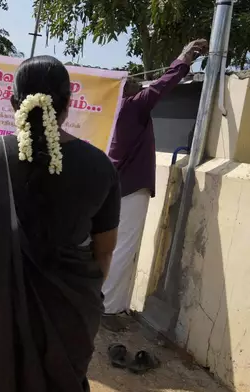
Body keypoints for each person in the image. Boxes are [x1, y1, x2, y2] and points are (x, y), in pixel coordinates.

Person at [0, 55, 121, 391]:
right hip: (70, 315)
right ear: (68, 105)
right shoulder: (101, 167)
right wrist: (76, 296)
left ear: (14, 102)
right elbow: (103, 254)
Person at [102, 38, 208, 331]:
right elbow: (163, 85)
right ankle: (108, 310)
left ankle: (113, 305)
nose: (138, 82)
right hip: (130, 188)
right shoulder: (133, 107)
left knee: (111, 248)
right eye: (130, 80)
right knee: (123, 248)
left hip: (111, 187)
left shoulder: (112, 113)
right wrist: (183, 58)